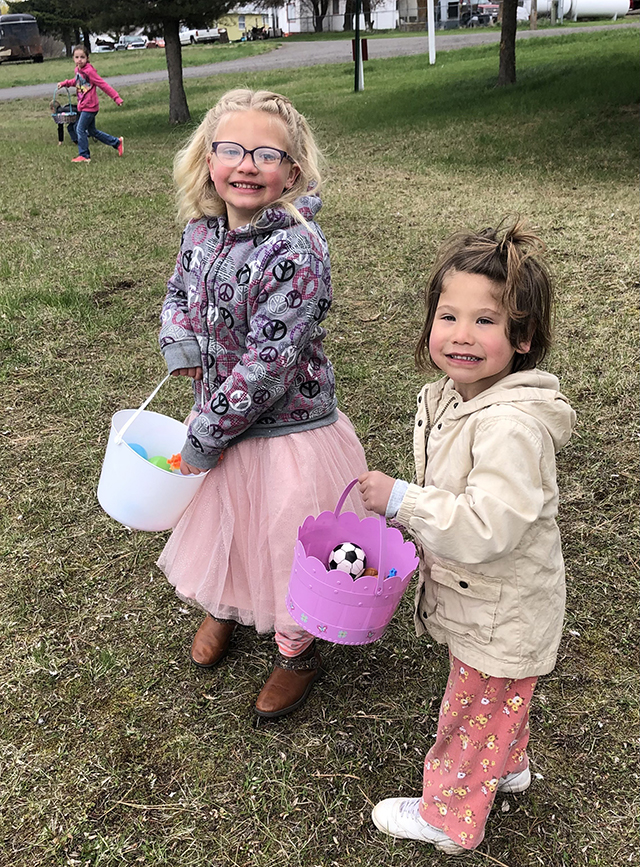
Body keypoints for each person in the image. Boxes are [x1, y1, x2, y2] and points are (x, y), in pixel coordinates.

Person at [358, 221, 575, 854]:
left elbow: (488, 526)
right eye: (448, 316)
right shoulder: (452, 397)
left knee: (473, 708)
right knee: (496, 699)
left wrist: (403, 501)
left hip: (502, 607)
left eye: (486, 321)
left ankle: (449, 818)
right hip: (484, 597)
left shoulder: (509, 427)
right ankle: (508, 767)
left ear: (523, 338)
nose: (461, 334)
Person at [157, 89, 369, 719]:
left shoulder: (298, 249)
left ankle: (296, 650)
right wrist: (179, 340)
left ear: (291, 172)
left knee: (284, 538)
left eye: (266, 155)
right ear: (208, 160)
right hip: (219, 419)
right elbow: (177, 293)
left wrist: (207, 433)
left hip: (286, 431)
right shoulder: (200, 232)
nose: (246, 165)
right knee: (226, 520)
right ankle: (227, 603)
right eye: (231, 150)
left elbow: (269, 363)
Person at [58, 45, 124, 163]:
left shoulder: (89, 71)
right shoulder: (78, 70)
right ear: (73, 58)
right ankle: (116, 142)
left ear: (87, 58)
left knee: (80, 129)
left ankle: (84, 155)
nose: (79, 60)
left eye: (82, 57)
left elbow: (102, 84)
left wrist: (116, 97)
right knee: (92, 131)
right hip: (83, 106)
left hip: (90, 107)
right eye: (77, 57)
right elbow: (77, 81)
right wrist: (65, 83)